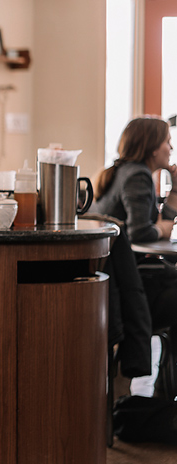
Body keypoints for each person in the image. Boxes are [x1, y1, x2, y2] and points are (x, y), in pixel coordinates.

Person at [92, 116, 177, 398]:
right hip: (131, 296)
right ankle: (165, 393)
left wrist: (174, 192)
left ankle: (164, 389)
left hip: (116, 289)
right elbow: (141, 233)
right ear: (153, 147)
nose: (171, 148)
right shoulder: (138, 175)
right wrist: (163, 227)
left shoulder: (123, 172)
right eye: (167, 141)